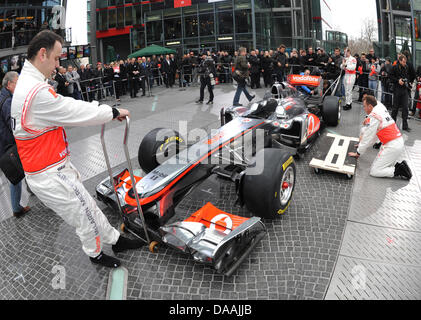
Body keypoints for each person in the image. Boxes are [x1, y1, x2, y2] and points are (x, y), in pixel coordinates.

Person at [11, 30, 144, 268]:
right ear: (43, 54)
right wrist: (111, 112)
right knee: (83, 214)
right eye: (56, 58)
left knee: (88, 206)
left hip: (52, 167)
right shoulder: (35, 92)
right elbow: (73, 110)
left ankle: (114, 240)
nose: (57, 64)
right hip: (49, 173)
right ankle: (95, 254)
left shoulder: (29, 83)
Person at [348, 95, 411, 180]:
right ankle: (398, 165)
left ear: (370, 106)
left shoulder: (375, 117)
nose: (364, 108)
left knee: (375, 171)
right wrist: (368, 119)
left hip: (391, 146)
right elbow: (371, 136)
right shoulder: (379, 105)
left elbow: (368, 137)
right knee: (365, 130)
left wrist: (358, 152)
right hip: (397, 142)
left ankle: (398, 170)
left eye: (364, 106)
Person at [0, 71, 31, 218]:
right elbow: (13, 124)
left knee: (19, 172)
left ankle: (31, 191)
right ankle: (16, 209)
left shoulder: (4, 97)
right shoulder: (7, 101)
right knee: (16, 176)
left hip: (4, 145)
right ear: (9, 84)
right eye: (17, 83)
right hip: (8, 146)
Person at [389, 54, 413, 132]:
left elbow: (408, 77)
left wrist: (409, 82)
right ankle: (392, 125)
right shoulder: (394, 67)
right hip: (397, 89)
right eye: (403, 62)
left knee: (405, 108)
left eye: (405, 62)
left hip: (404, 90)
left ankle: (405, 126)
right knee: (395, 108)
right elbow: (390, 77)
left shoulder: (406, 67)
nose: (404, 63)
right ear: (400, 61)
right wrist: (398, 80)